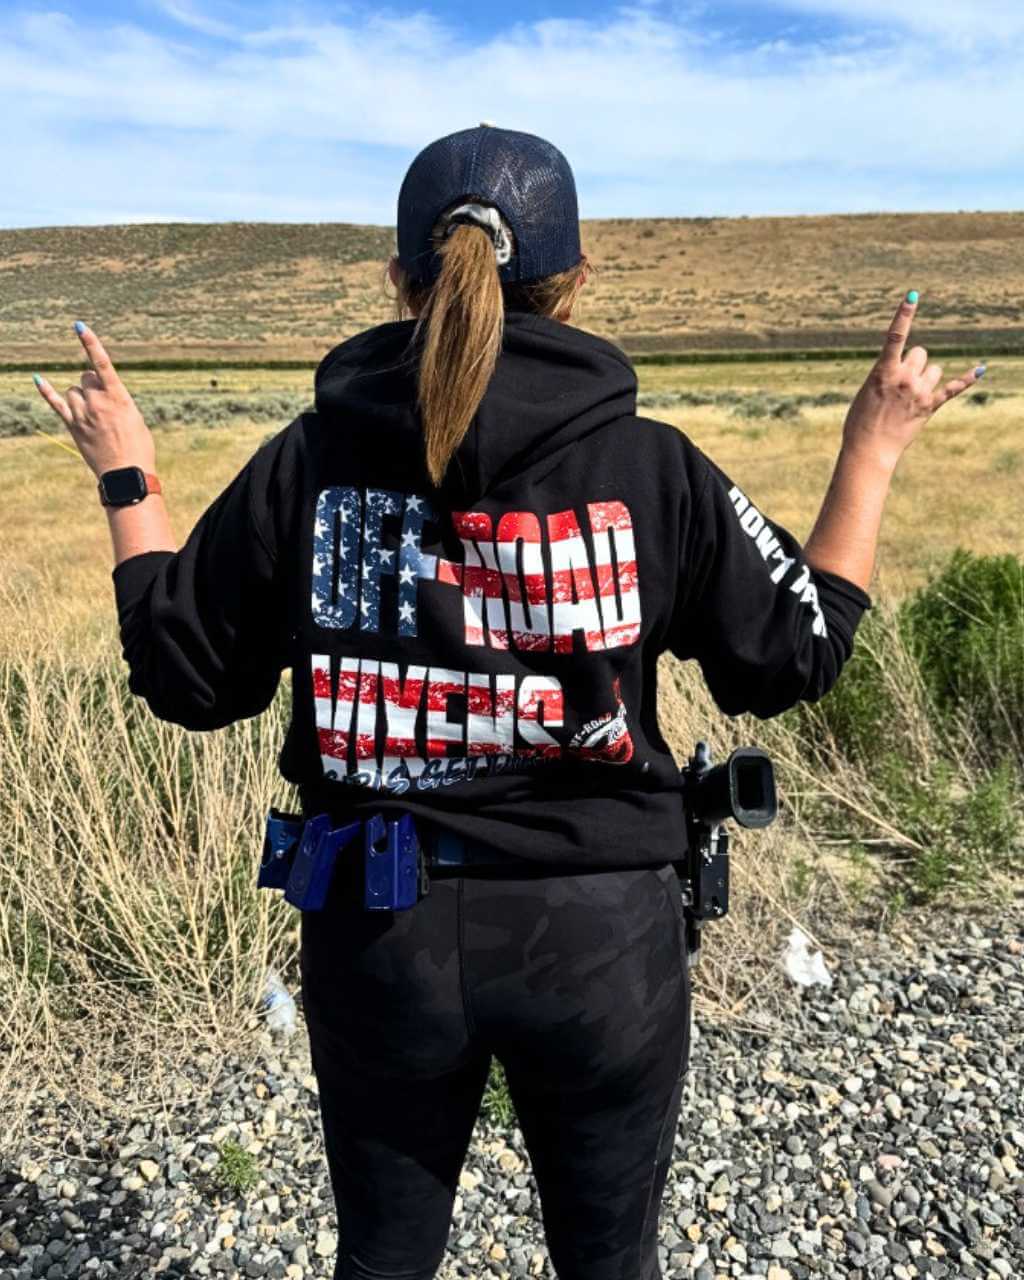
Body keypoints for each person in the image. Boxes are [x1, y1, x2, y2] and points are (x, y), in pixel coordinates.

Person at [34, 123, 986, 1280]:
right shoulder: (652, 468)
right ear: (575, 284)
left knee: (384, 1259)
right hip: (602, 937)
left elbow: (186, 674)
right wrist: (874, 446)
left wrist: (127, 475)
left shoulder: (309, 460)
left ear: (398, 281)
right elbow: (796, 652)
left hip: (375, 929)